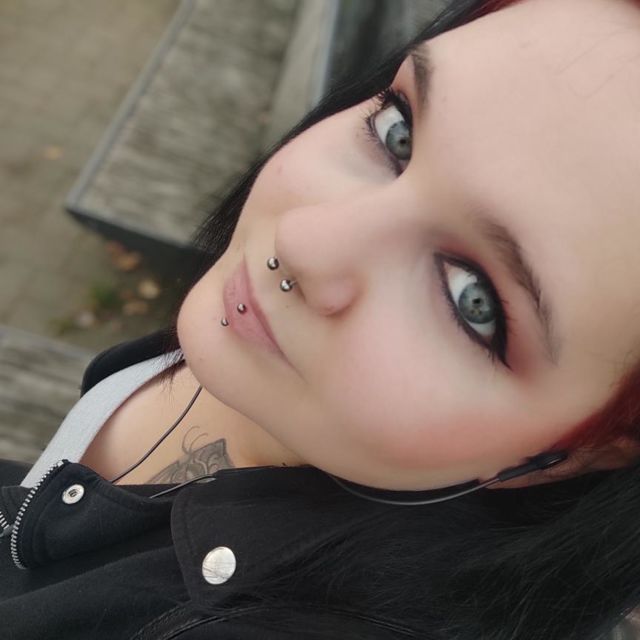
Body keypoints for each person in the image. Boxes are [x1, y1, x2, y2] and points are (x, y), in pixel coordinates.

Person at [2, 0, 640, 637]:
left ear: (590, 448)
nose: (305, 240)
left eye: (470, 297)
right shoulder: (257, 355)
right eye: (397, 133)